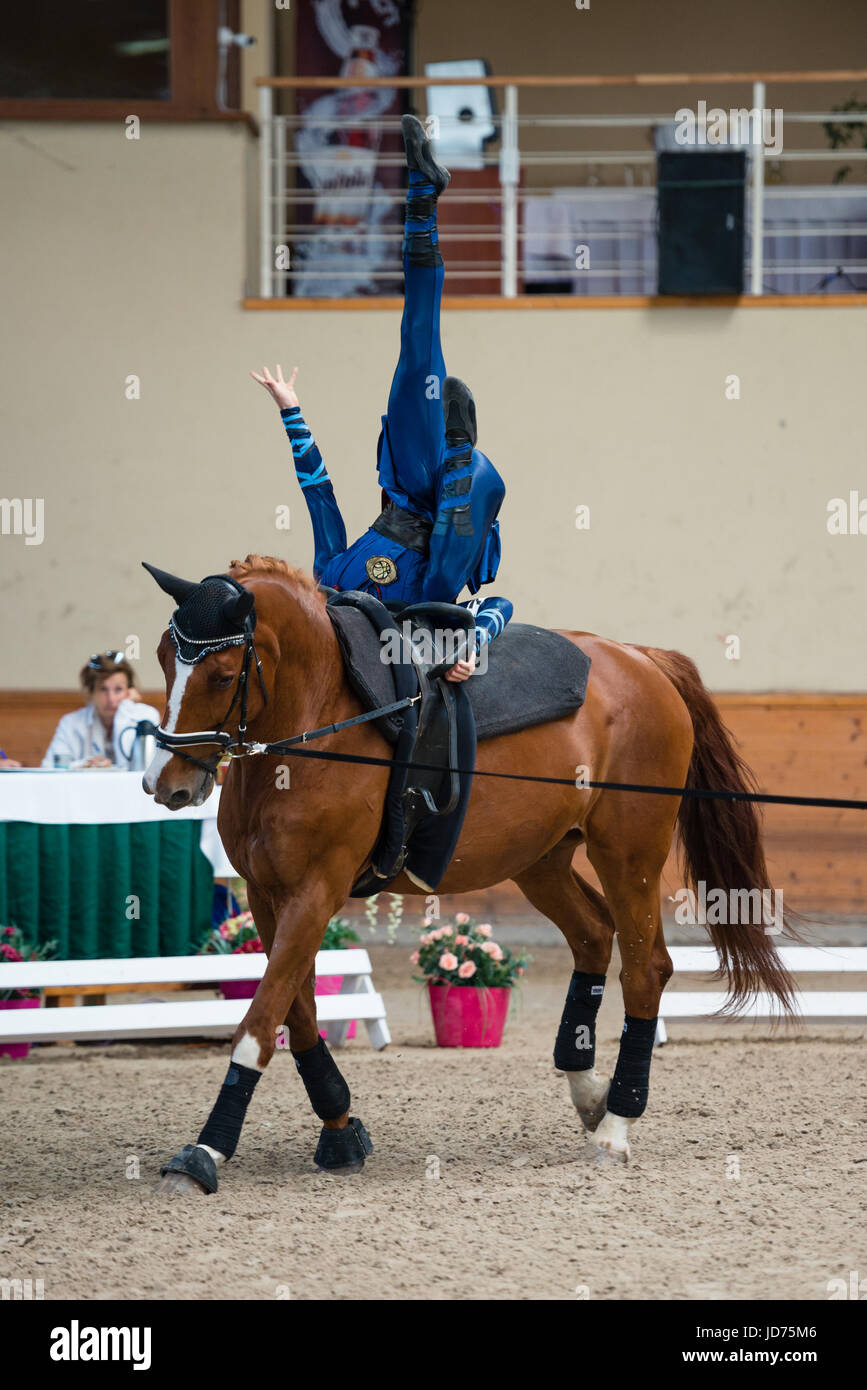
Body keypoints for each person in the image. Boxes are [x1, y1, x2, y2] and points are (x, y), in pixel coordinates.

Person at [252, 114, 513, 683]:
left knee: (417, 344)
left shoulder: (330, 578)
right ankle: (463, 460)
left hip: (409, 481)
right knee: (442, 598)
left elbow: (319, 495)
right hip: (453, 519)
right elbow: (501, 607)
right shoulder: (397, 631)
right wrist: (473, 647)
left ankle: (423, 196)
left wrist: (290, 412)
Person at [41, 652, 160, 769]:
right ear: (91, 692)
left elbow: (140, 770)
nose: (111, 699)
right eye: (103, 689)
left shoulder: (147, 716)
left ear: (129, 691)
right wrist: (84, 765)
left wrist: (124, 711)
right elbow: (48, 767)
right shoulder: (70, 722)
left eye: (118, 689)